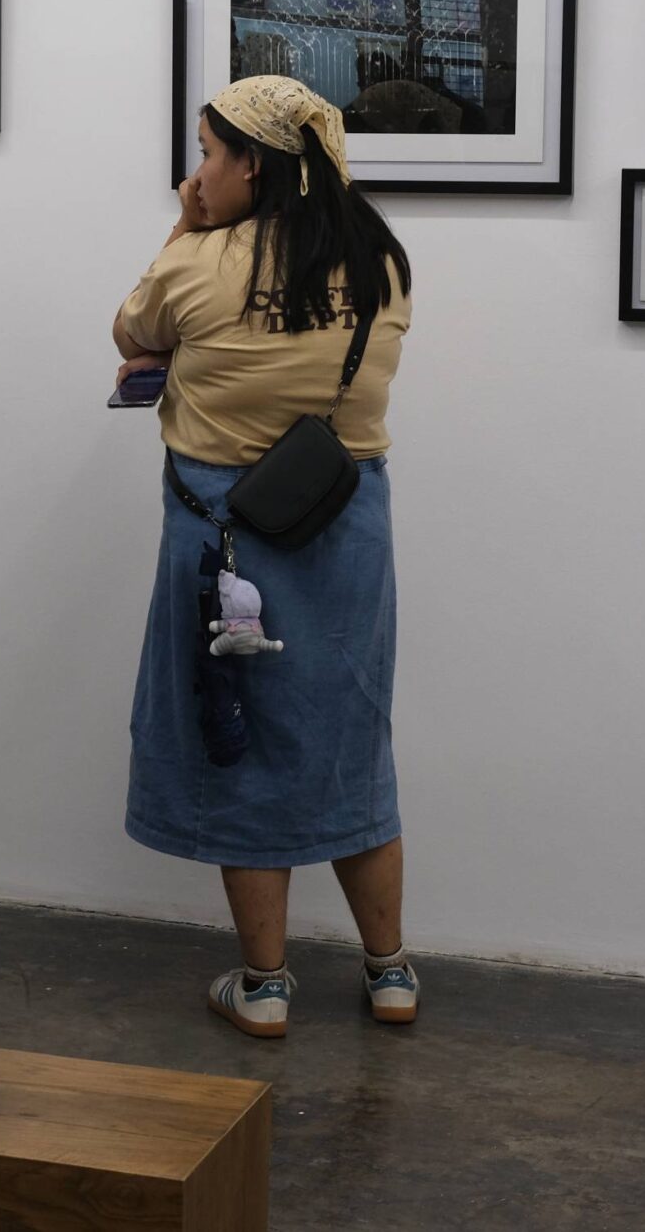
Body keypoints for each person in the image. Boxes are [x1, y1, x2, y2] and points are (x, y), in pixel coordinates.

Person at [112, 74, 417, 1038]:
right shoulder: (380, 259)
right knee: (351, 740)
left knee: (231, 733)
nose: (195, 174)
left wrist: (185, 229)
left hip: (221, 530)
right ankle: (390, 970)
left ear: (255, 163)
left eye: (207, 153)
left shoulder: (199, 264)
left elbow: (133, 329)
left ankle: (268, 982)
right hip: (347, 520)